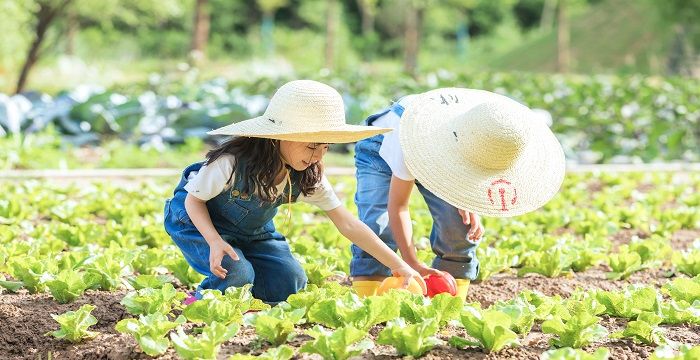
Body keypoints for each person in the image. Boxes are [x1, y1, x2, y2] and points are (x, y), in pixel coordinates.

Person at [163, 80, 426, 305]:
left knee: (291, 281)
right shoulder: (230, 163)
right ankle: (201, 301)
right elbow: (193, 200)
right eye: (312, 146)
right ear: (279, 136)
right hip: (197, 223)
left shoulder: (308, 175)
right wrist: (213, 241)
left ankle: (244, 298)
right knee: (236, 273)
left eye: (325, 147)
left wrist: (398, 265)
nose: (318, 156)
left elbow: (348, 223)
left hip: (253, 234)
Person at [350, 88, 566, 298]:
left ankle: (447, 298)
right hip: (382, 145)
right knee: (377, 226)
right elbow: (398, 206)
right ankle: (370, 296)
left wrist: (465, 199)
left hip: (454, 146)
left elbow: (468, 169)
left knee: (461, 224)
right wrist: (411, 263)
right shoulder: (413, 141)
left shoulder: (487, 135)